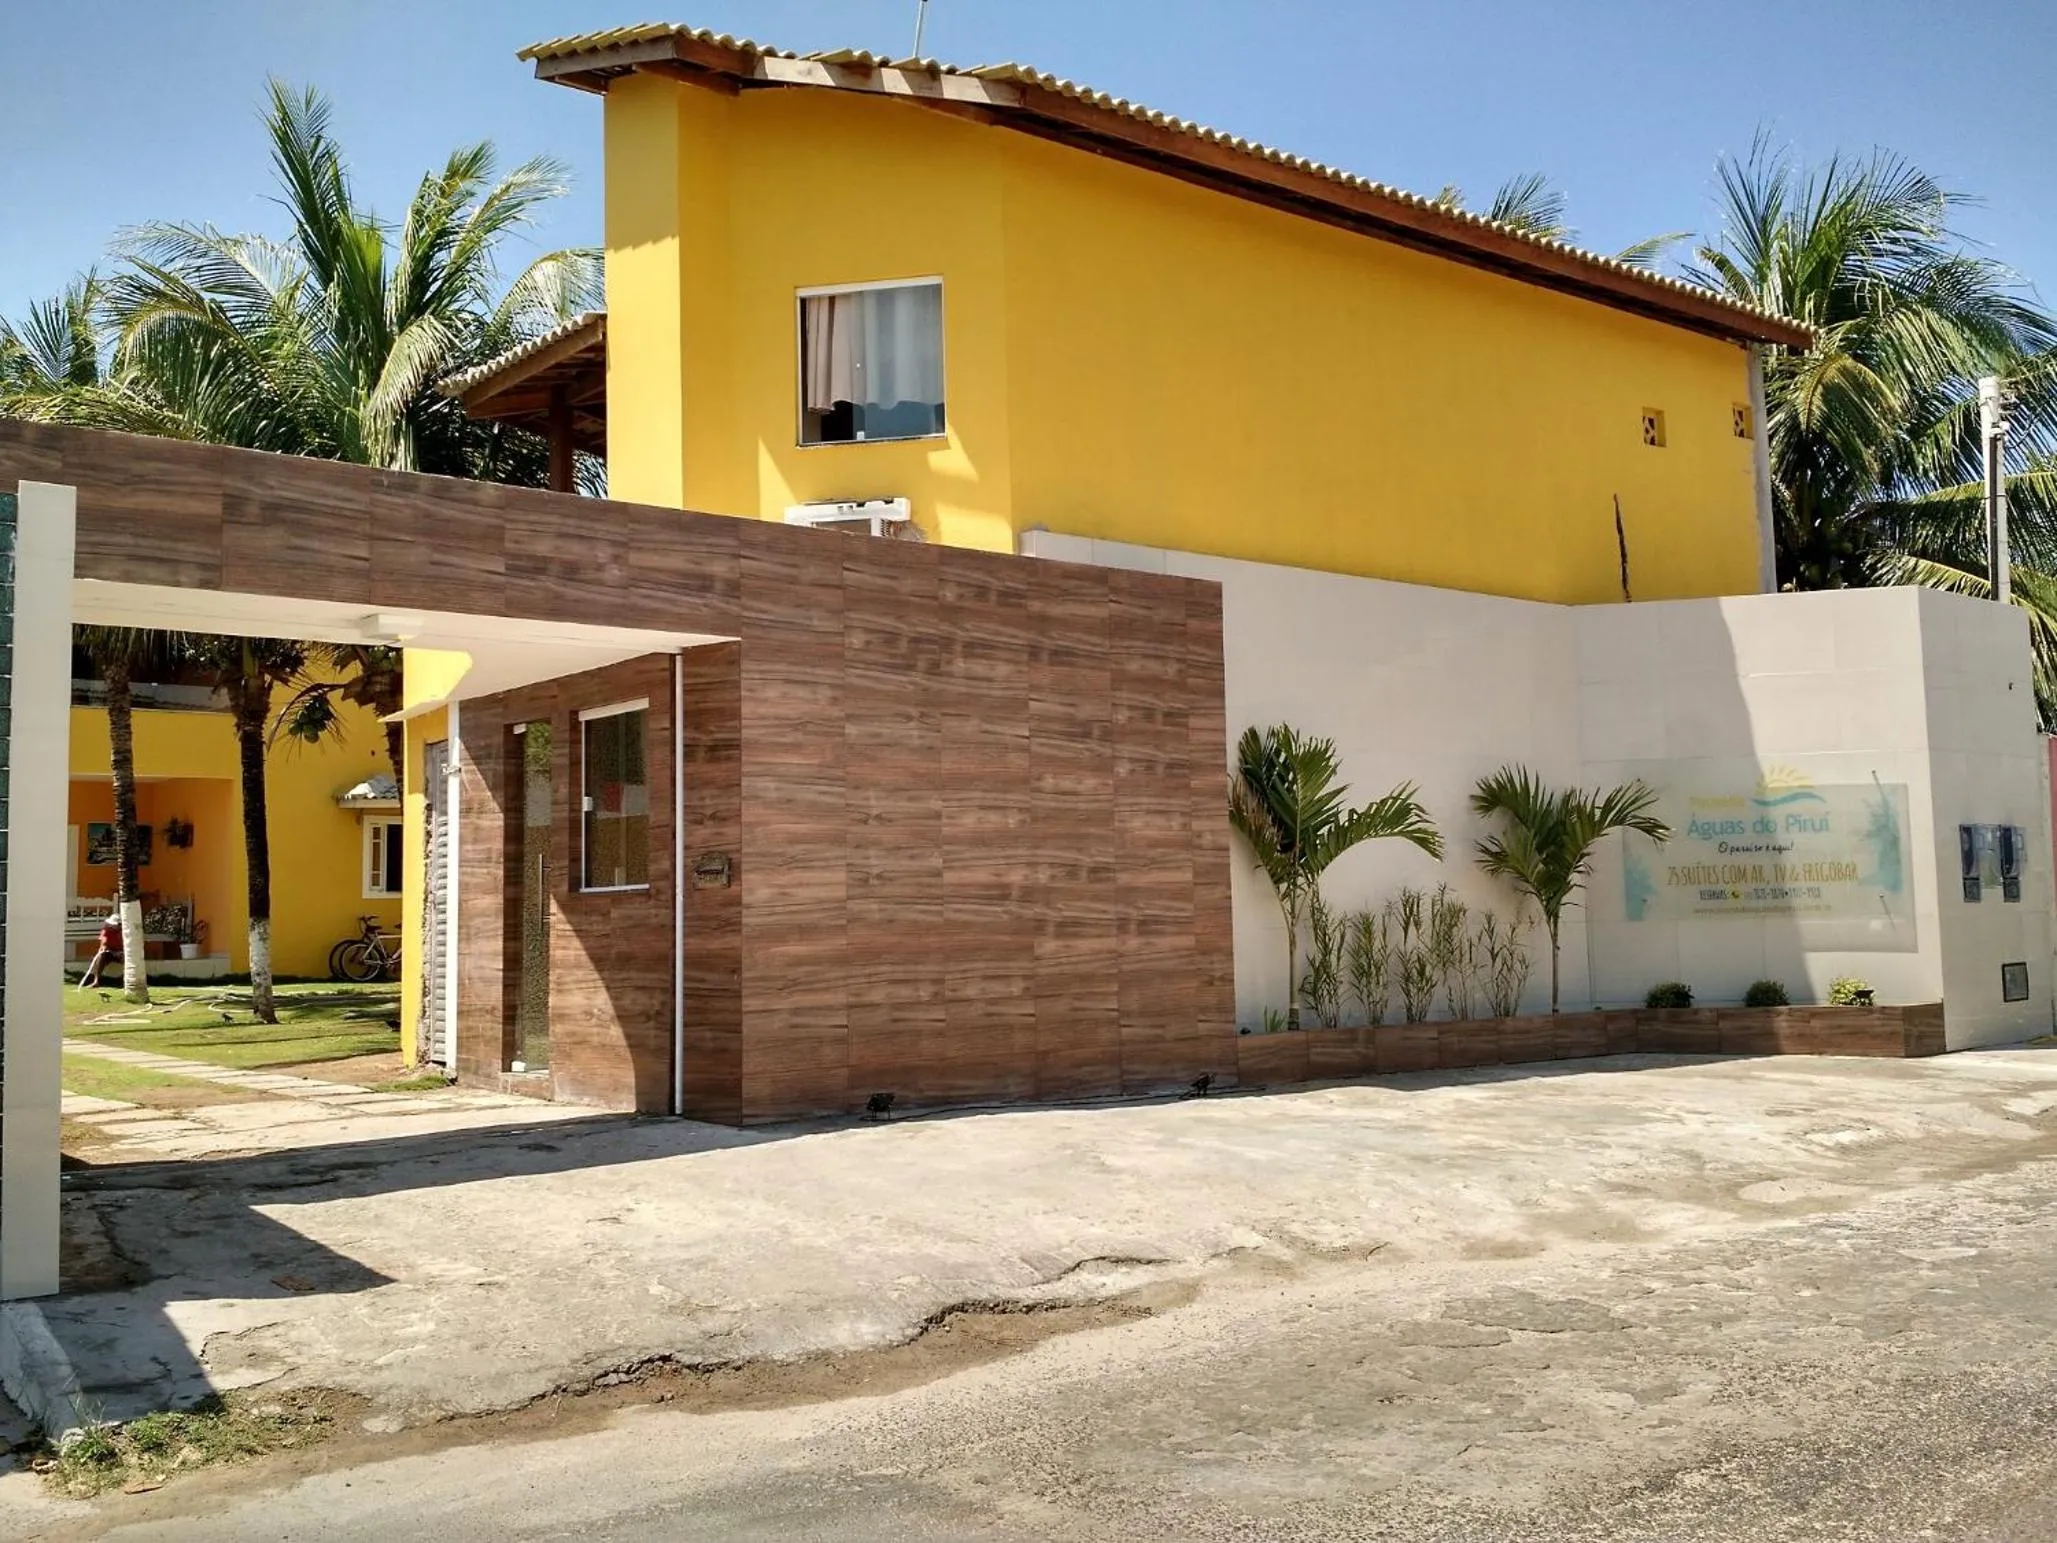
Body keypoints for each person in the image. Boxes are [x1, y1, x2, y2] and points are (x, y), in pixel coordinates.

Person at [79, 913, 122, 989]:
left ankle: (126, 981)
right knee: (101, 956)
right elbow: (103, 943)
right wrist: (103, 949)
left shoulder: (124, 932)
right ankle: (96, 981)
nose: (112, 926)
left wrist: (121, 952)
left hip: (121, 952)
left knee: (126, 958)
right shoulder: (106, 930)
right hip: (109, 952)